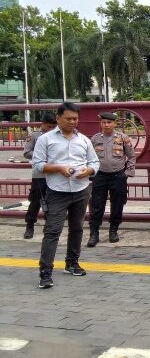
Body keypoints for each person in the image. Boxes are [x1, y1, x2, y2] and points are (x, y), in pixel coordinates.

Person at [32, 102, 100, 289]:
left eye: (75, 119)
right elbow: (37, 165)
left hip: (81, 189)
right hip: (57, 190)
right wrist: (59, 168)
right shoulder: (45, 139)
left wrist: (89, 170)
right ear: (58, 118)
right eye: (68, 118)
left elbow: (94, 161)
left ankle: (72, 262)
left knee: (77, 228)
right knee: (52, 231)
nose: (72, 122)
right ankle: (45, 271)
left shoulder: (84, 140)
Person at [87, 112, 136, 246]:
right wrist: (91, 172)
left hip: (118, 176)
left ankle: (113, 230)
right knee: (97, 206)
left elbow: (131, 156)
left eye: (109, 122)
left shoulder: (123, 138)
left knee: (117, 205)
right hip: (100, 176)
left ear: (114, 123)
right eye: (104, 122)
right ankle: (94, 233)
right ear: (101, 124)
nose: (106, 125)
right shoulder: (95, 139)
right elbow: (89, 157)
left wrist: (127, 173)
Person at [22, 112, 57, 239]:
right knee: (35, 201)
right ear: (42, 124)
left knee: (53, 202)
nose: (51, 129)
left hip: (54, 174)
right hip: (39, 174)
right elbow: (26, 153)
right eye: (49, 127)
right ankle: (29, 226)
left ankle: (49, 226)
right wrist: (41, 155)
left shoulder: (58, 135)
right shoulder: (34, 136)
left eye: (54, 127)